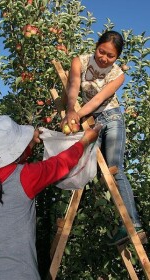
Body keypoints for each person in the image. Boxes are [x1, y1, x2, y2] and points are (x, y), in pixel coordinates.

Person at [0, 115, 100, 280]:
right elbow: (61, 163)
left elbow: (5, 167)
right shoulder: (25, 177)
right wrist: (85, 141)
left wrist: (30, 144)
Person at [61, 30, 146, 245]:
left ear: (117, 58)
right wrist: (71, 109)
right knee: (86, 166)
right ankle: (78, 221)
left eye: (111, 56)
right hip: (91, 121)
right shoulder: (79, 61)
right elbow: (73, 86)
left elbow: (99, 98)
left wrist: (76, 115)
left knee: (115, 168)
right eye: (101, 51)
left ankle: (133, 224)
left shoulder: (118, 74)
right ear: (96, 45)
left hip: (112, 117)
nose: (104, 58)